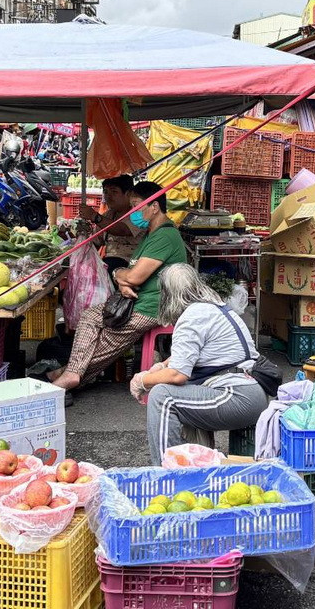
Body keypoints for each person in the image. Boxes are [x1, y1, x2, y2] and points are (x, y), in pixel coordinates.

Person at [49, 181, 187, 395]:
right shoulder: (152, 233)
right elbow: (129, 273)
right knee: (90, 316)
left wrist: (121, 277)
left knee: (106, 340)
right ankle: (71, 374)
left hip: (151, 307)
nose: (132, 212)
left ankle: (69, 375)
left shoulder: (165, 236)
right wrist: (121, 278)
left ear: (154, 207)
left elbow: (133, 276)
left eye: (136, 206)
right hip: (136, 300)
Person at [130, 264, 269, 466]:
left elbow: (178, 374)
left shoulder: (192, 316)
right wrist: (160, 367)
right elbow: (186, 356)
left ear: (169, 294)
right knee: (179, 391)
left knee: (163, 397)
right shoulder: (213, 307)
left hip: (236, 396)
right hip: (251, 391)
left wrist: (142, 380)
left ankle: (165, 473)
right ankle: (193, 466)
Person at [79, 174, 143, 273]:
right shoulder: (108, 215)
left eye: (114, 192)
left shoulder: (139, 214)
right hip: (109, 262)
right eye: (105, 192)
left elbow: (122, 230)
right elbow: (96, 241)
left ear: (129, 194)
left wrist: (94, 216)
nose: (108, 196)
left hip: (132, 264)